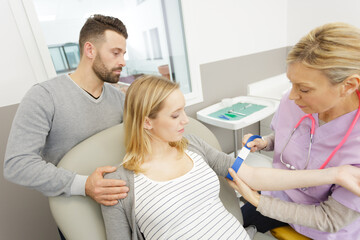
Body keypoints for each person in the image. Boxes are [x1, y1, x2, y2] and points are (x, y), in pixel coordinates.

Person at [101, 75, 360, 240]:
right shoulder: (117, 183)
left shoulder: (194, 147)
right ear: (147, 122)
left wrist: (334, 173)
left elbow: (254, 175)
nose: (185, 120)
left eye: (184, 111)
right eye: (175, 114)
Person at [231, 22, 360, 239]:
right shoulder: (295, 102)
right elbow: (295, 136)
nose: (291, 96)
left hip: (322, 225)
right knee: (227, 224)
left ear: (348, 86)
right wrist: (266, 142)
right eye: (291, 83)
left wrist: (258, 201)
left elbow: (329, 219)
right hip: (281, 195)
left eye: (304, 89)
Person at [4, 14, 130, 213]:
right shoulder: (44, 96)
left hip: (121, 206)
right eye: (115, 53)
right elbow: (17, 164)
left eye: (124, 53)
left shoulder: (119, 98)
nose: (123, 61)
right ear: (90, 50)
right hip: (76, 211)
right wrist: (85, 185)